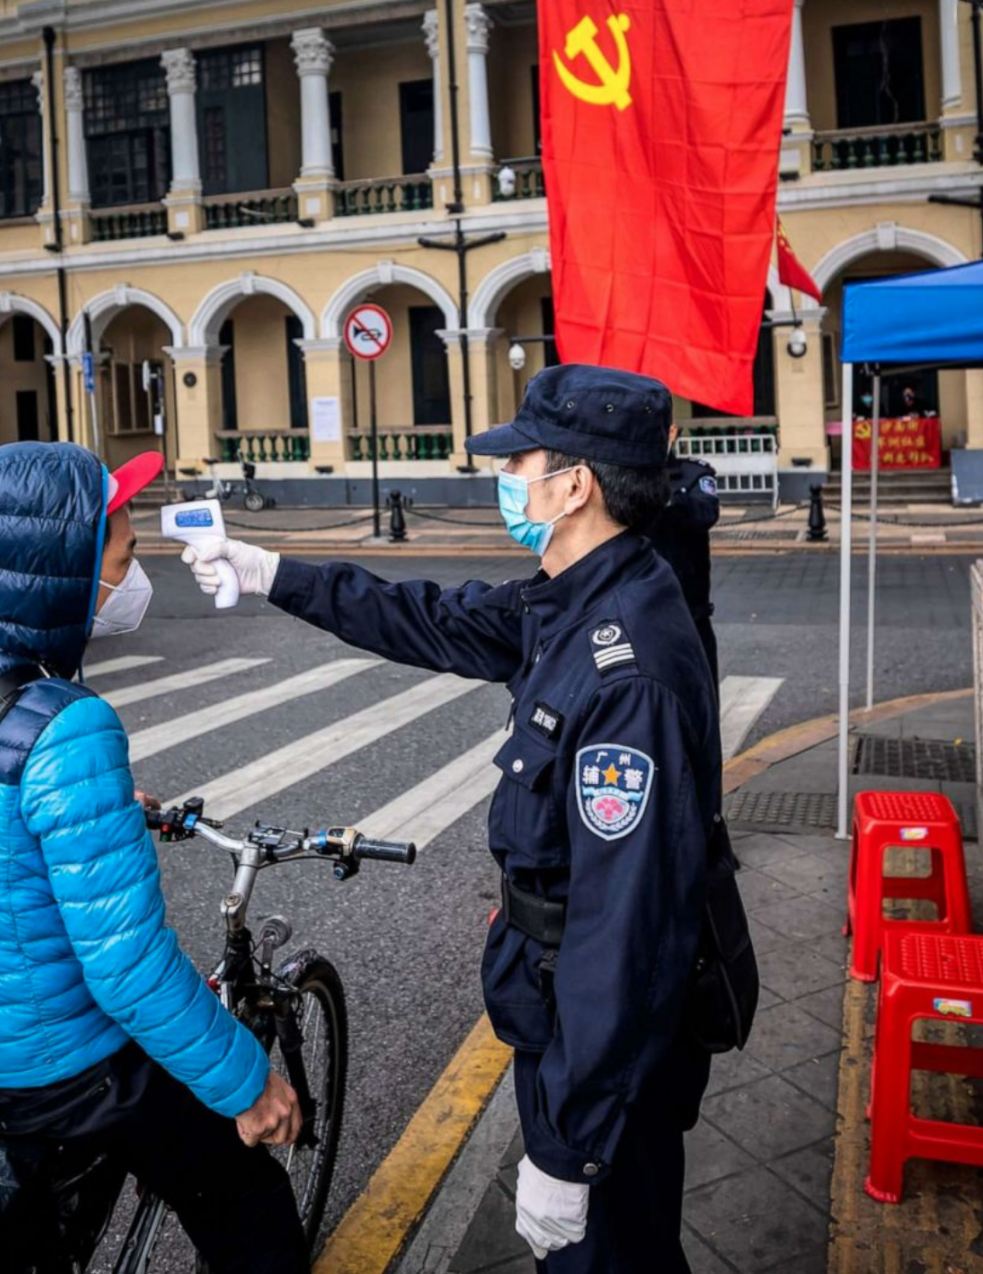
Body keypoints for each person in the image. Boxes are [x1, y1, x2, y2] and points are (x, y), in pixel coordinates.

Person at [182, 365, 755, 1273]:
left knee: (612, 1256)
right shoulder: (578, 594)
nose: (505, 477)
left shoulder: (626, 664)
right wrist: (271, 572)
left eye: (520, 461)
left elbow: (627, 930)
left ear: (575, 484)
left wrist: (570, 1148)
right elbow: (429, 617)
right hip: (561, 1008)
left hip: (602, 1045)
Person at [0, 441, 308, 1274]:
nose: (133, 573)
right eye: (122, 555)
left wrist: (104, 808)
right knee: (250, 1201)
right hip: (59, 1069)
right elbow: (128, 968)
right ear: (60, 574)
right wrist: (250, 1083)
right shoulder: (67, 724)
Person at [646, 426, 720, 678]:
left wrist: (667, 497)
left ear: (672, 431)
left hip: (690, 610)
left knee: (699, 687)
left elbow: (706, 513)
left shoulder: (693, 473)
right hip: (642, 608)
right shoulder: (626, 477)